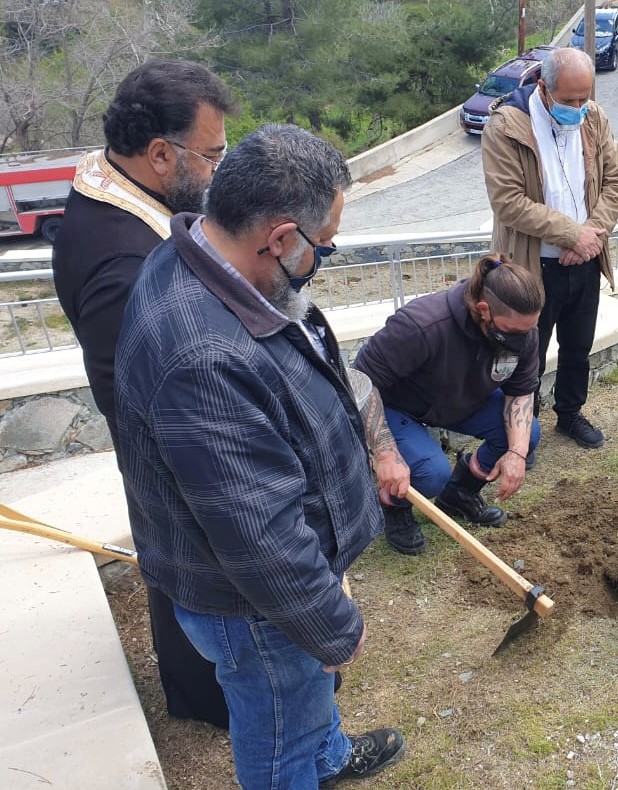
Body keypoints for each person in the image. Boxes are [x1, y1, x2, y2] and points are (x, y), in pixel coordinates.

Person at [115, 123, 406, 786]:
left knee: (305, 701)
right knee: (278, 726)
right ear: (279, 238)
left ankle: (324, 755)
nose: (318, 261)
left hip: (278, 584)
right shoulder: (204, 359)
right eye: (320, 249)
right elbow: (261, 538)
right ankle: (300, 764)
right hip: (254, 606)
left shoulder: (202, 255)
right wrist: (334, 626)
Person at [52, 60, 237, 729]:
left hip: (167, 435)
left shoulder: (115, 193)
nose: (218, 169)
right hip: (170, 442)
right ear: (160, 154)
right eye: (211, 154)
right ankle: (214, 698)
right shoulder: (121, 262)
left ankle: (200, 689)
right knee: (193, 564)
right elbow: (138, 387)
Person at [482, 46, 618, 450]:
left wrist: (591, 235)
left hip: (584, 260)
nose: (579, 108)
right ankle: (517, 432)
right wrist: (571, 234)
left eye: (585, 98)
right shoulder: (507, 125)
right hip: (532, 268)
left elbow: (617, 179)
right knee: (526, 352)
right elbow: (508, 201)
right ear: (544, 88)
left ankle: (570, 414)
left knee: (578, 346)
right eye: (569, 101)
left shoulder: (593, 118)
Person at [353, 254, 543, 555]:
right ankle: (395, 507)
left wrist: (517, 454)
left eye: (529, 330)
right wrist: (386, 453)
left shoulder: (522, 330)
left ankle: (459, 493)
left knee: (526, 434)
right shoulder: (423, 324)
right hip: (399, 407)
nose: (525, 339)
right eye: (515, 332)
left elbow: (520, 392)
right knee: (431, 473)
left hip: (459, 400)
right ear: (484, 310)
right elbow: (361, 381)